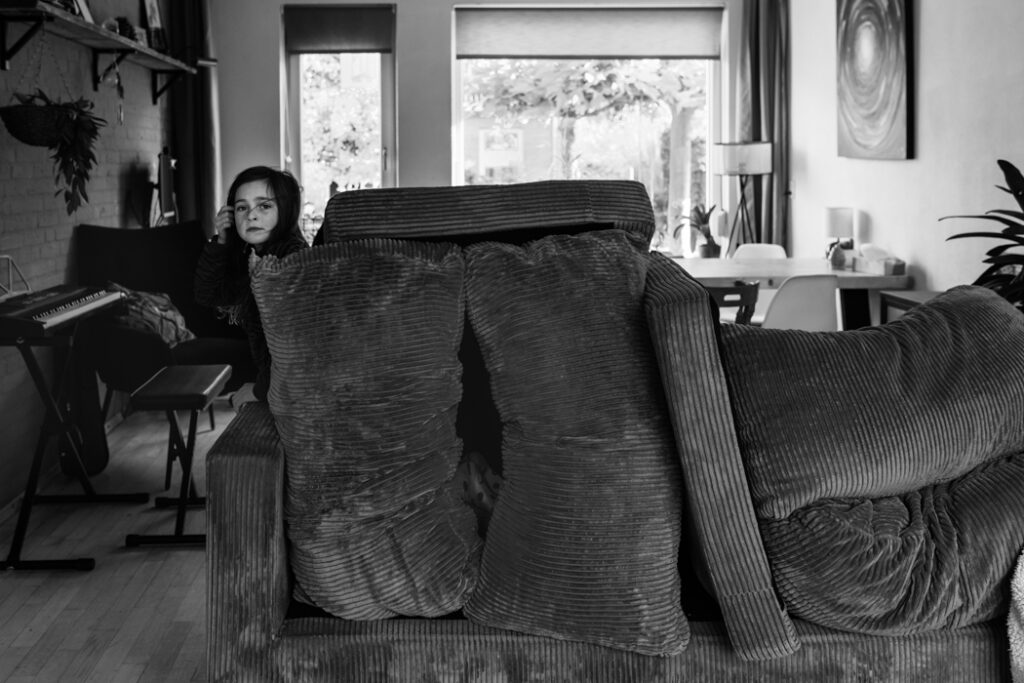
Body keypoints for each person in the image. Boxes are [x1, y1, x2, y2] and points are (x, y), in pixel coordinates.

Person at [194, 166, 309, 402]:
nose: (251, 215)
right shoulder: (255, 255)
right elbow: (208, 293)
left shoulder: (291, 262)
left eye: (264, 206)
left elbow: (296, 348)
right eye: (241, 207)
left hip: (296, 395)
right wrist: (222, 240)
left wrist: (259, 391)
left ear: (285, 210)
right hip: (281, 387)